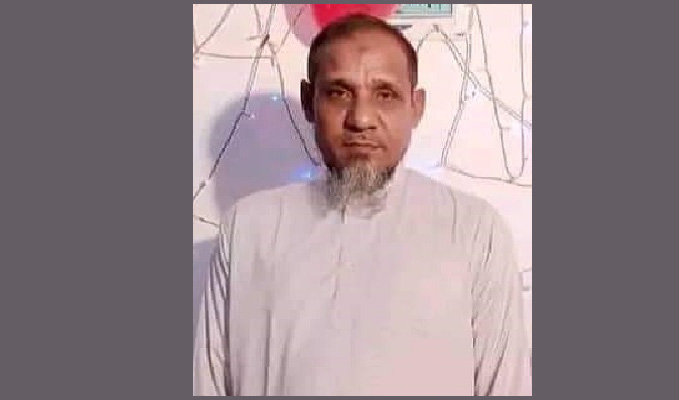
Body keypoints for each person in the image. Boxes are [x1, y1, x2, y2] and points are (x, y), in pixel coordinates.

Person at [193, 13, 532, 396]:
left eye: (385, 94)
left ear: (416, 107)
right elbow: (210, 383)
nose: (361, 119)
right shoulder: (248, 229)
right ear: (309, 102)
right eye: (339, 93)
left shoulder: (473, 230)